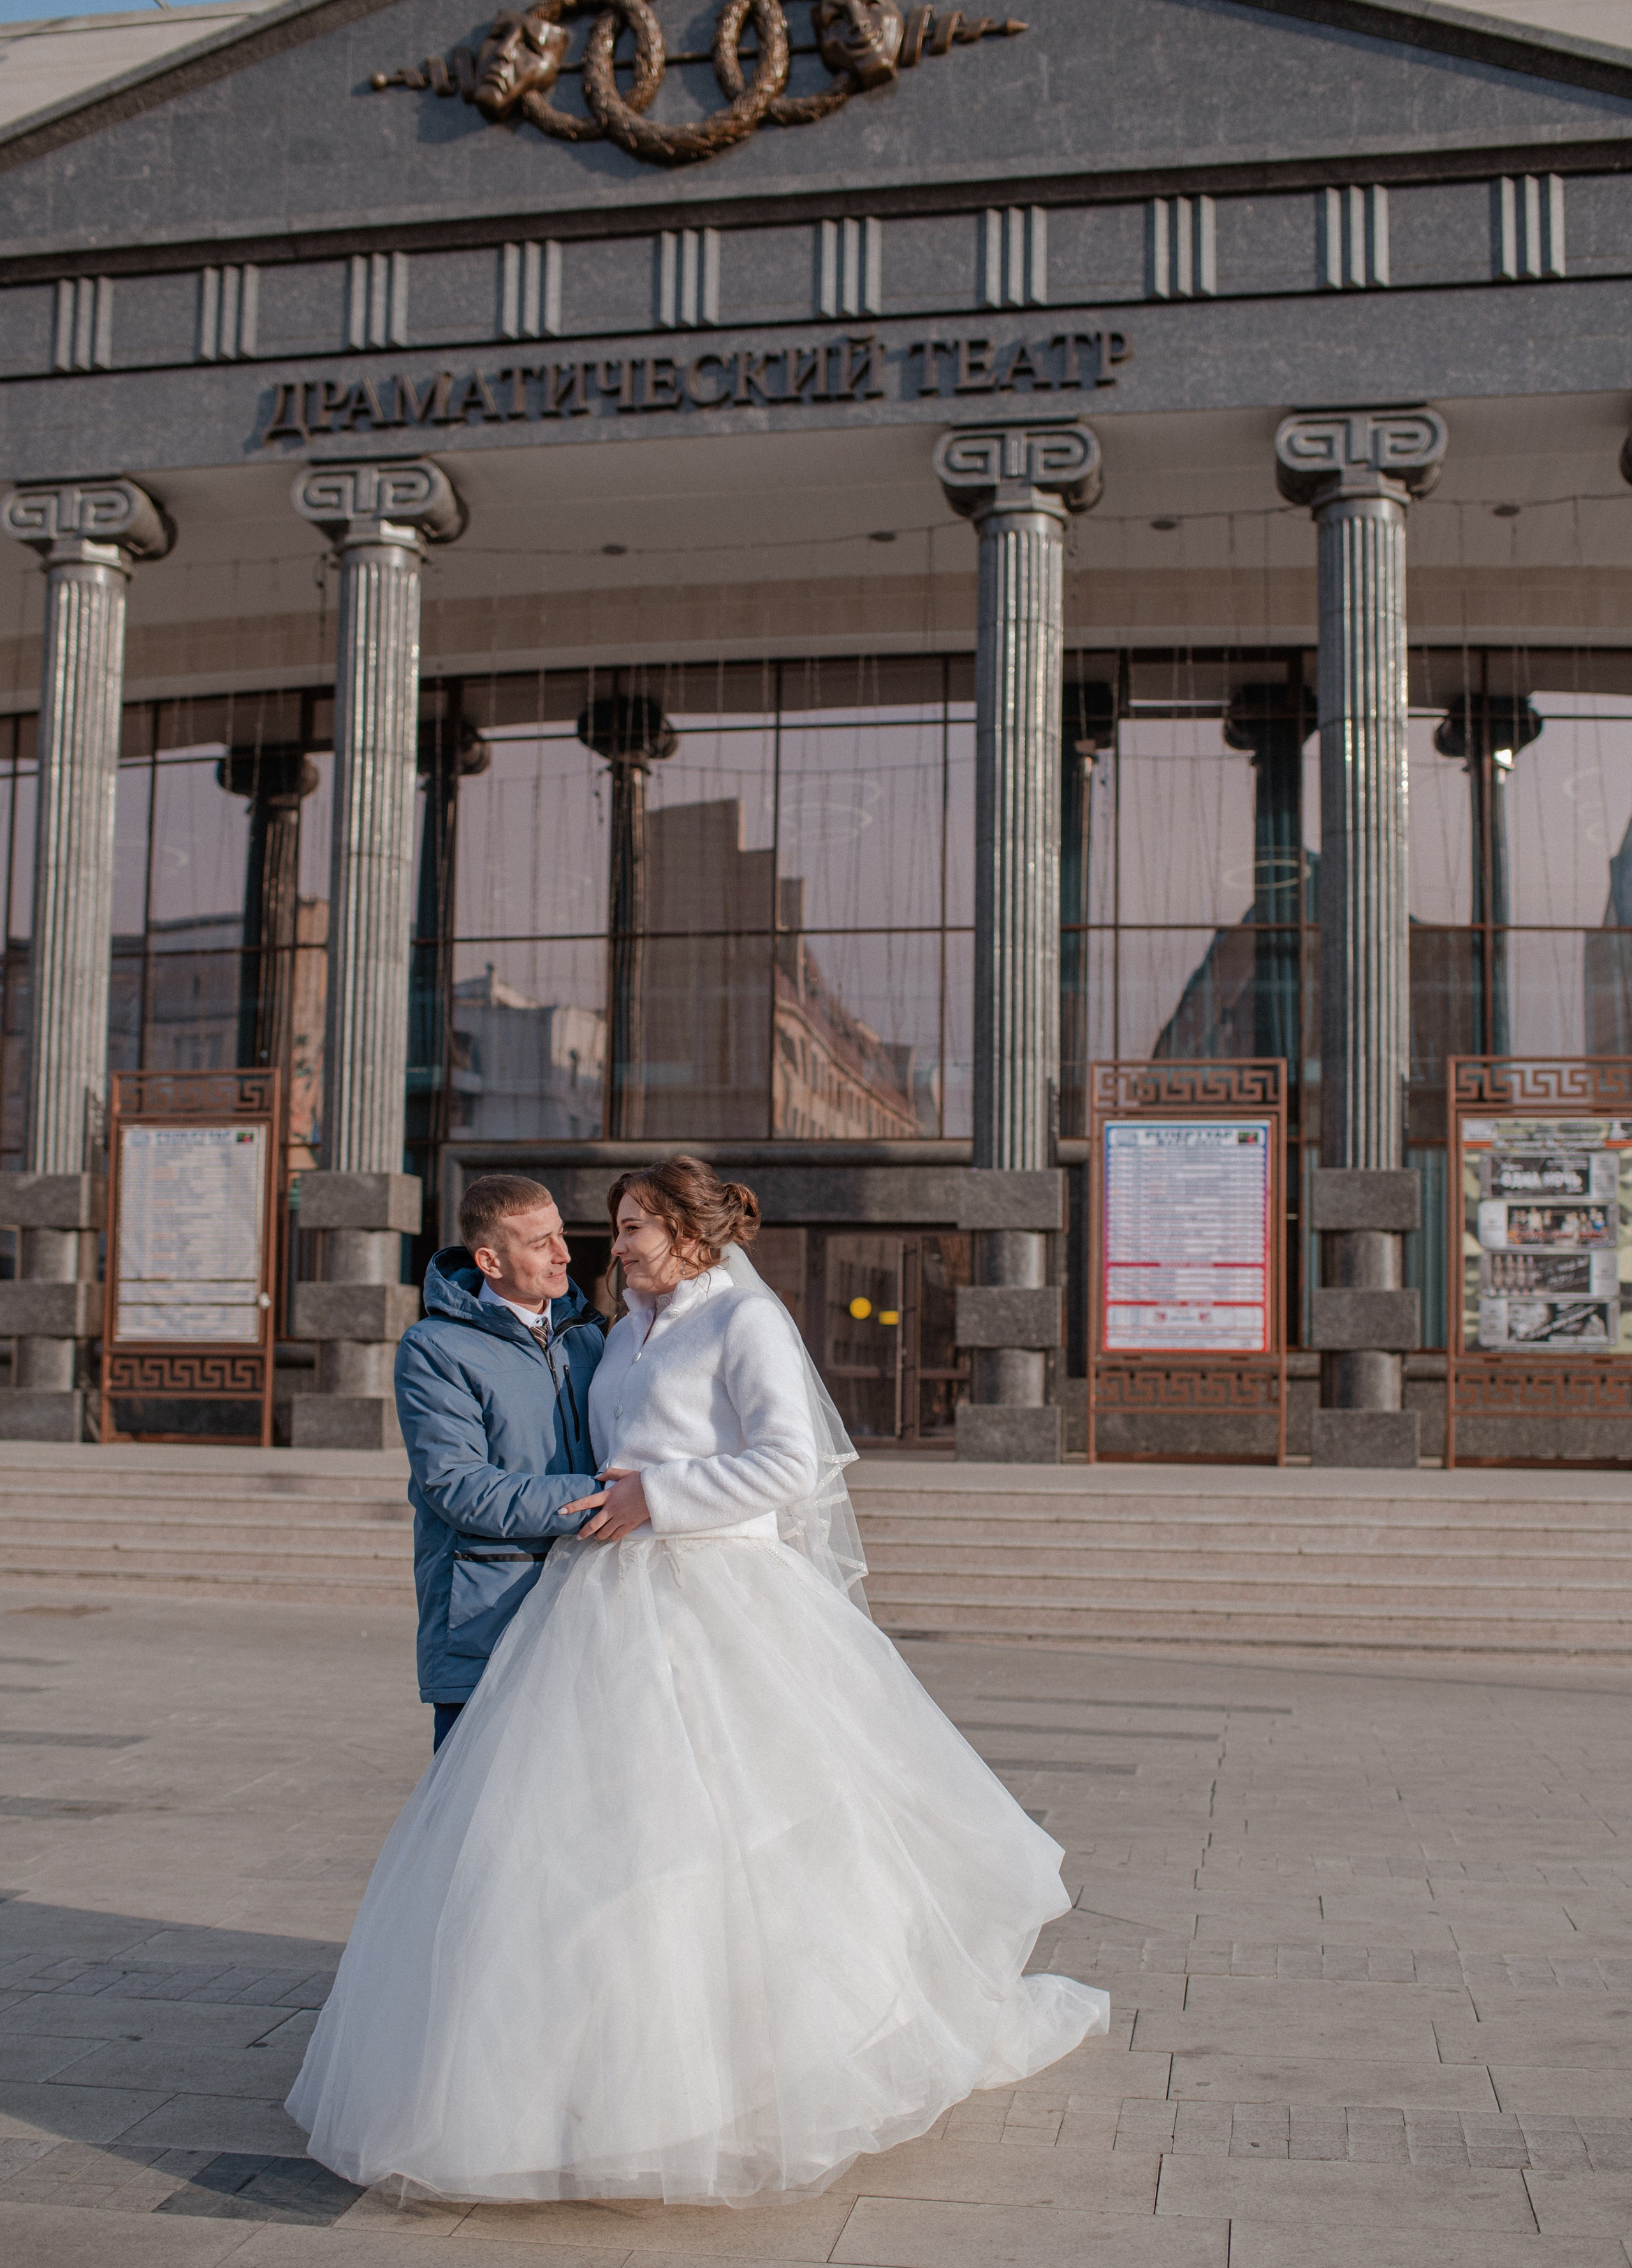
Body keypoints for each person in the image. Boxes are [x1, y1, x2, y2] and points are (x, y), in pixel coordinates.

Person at [289, 1155, 1108, 2204]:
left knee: (738, 1829)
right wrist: (617, 1506)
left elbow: (787, 1462)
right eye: (610, 1225)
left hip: (720, 1595)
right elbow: (538, 1464)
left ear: (689, 1230)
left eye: (631, 1224)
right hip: (601, 1602)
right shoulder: (618, 1330)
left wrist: (659, 1499)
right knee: (596, 1842)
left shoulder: (743, 1322)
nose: (610, 1244)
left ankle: (760, 2065)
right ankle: (583, 2070)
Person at [393, 1172, 605, 1752]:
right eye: (541, 1244)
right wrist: (601, 1499)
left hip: (585, 1611)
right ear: (489, 1260)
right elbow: (458, 1487)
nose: (564, 1254)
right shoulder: (435, 1348)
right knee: (472, 1828)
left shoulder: (588, 1337)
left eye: (561, 1235)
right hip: (487, 1615)